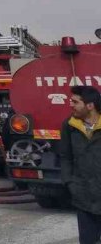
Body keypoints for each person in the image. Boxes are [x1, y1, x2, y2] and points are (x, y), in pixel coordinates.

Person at [59, 85, 101, 244]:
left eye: (75, 102)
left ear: (90, 105)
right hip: (84, 197)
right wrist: (70, 182)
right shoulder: (69, 126)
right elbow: (65, 156)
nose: (71, 105)